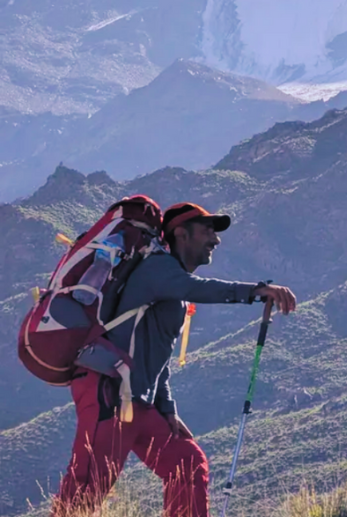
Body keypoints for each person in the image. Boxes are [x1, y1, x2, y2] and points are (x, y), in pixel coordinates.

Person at [53, 202, 297, 517]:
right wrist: (257, 290)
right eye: (207, 229)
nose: (216, 239)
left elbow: (159, 353)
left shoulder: (170, 285)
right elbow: (196, 288)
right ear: (181, 233)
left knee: (188, 465)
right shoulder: (158, 267)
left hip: (138, 401)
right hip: (109, 394)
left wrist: (166, 408)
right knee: (85, 491)